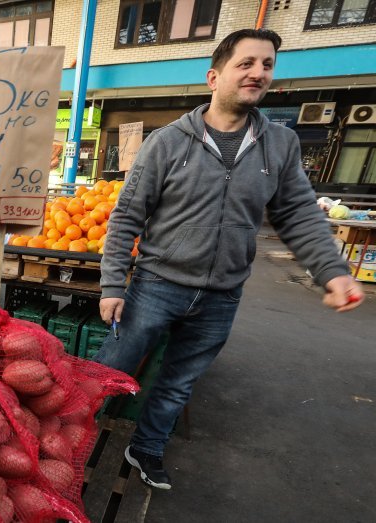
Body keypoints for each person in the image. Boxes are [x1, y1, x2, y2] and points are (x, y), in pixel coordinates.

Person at [94, 28, 364, 490]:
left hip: (222, 294)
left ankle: (146, 448)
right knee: (109, 371)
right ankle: (70, 434)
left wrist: (332, 271)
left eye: (267, 65)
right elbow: (126, 217)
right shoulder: (167, 143)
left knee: (179, 383)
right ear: (213, 76)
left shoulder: (280, 145)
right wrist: (113, 284)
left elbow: (297, 212)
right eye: (246, 63)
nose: (258, 73)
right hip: (157, 285)